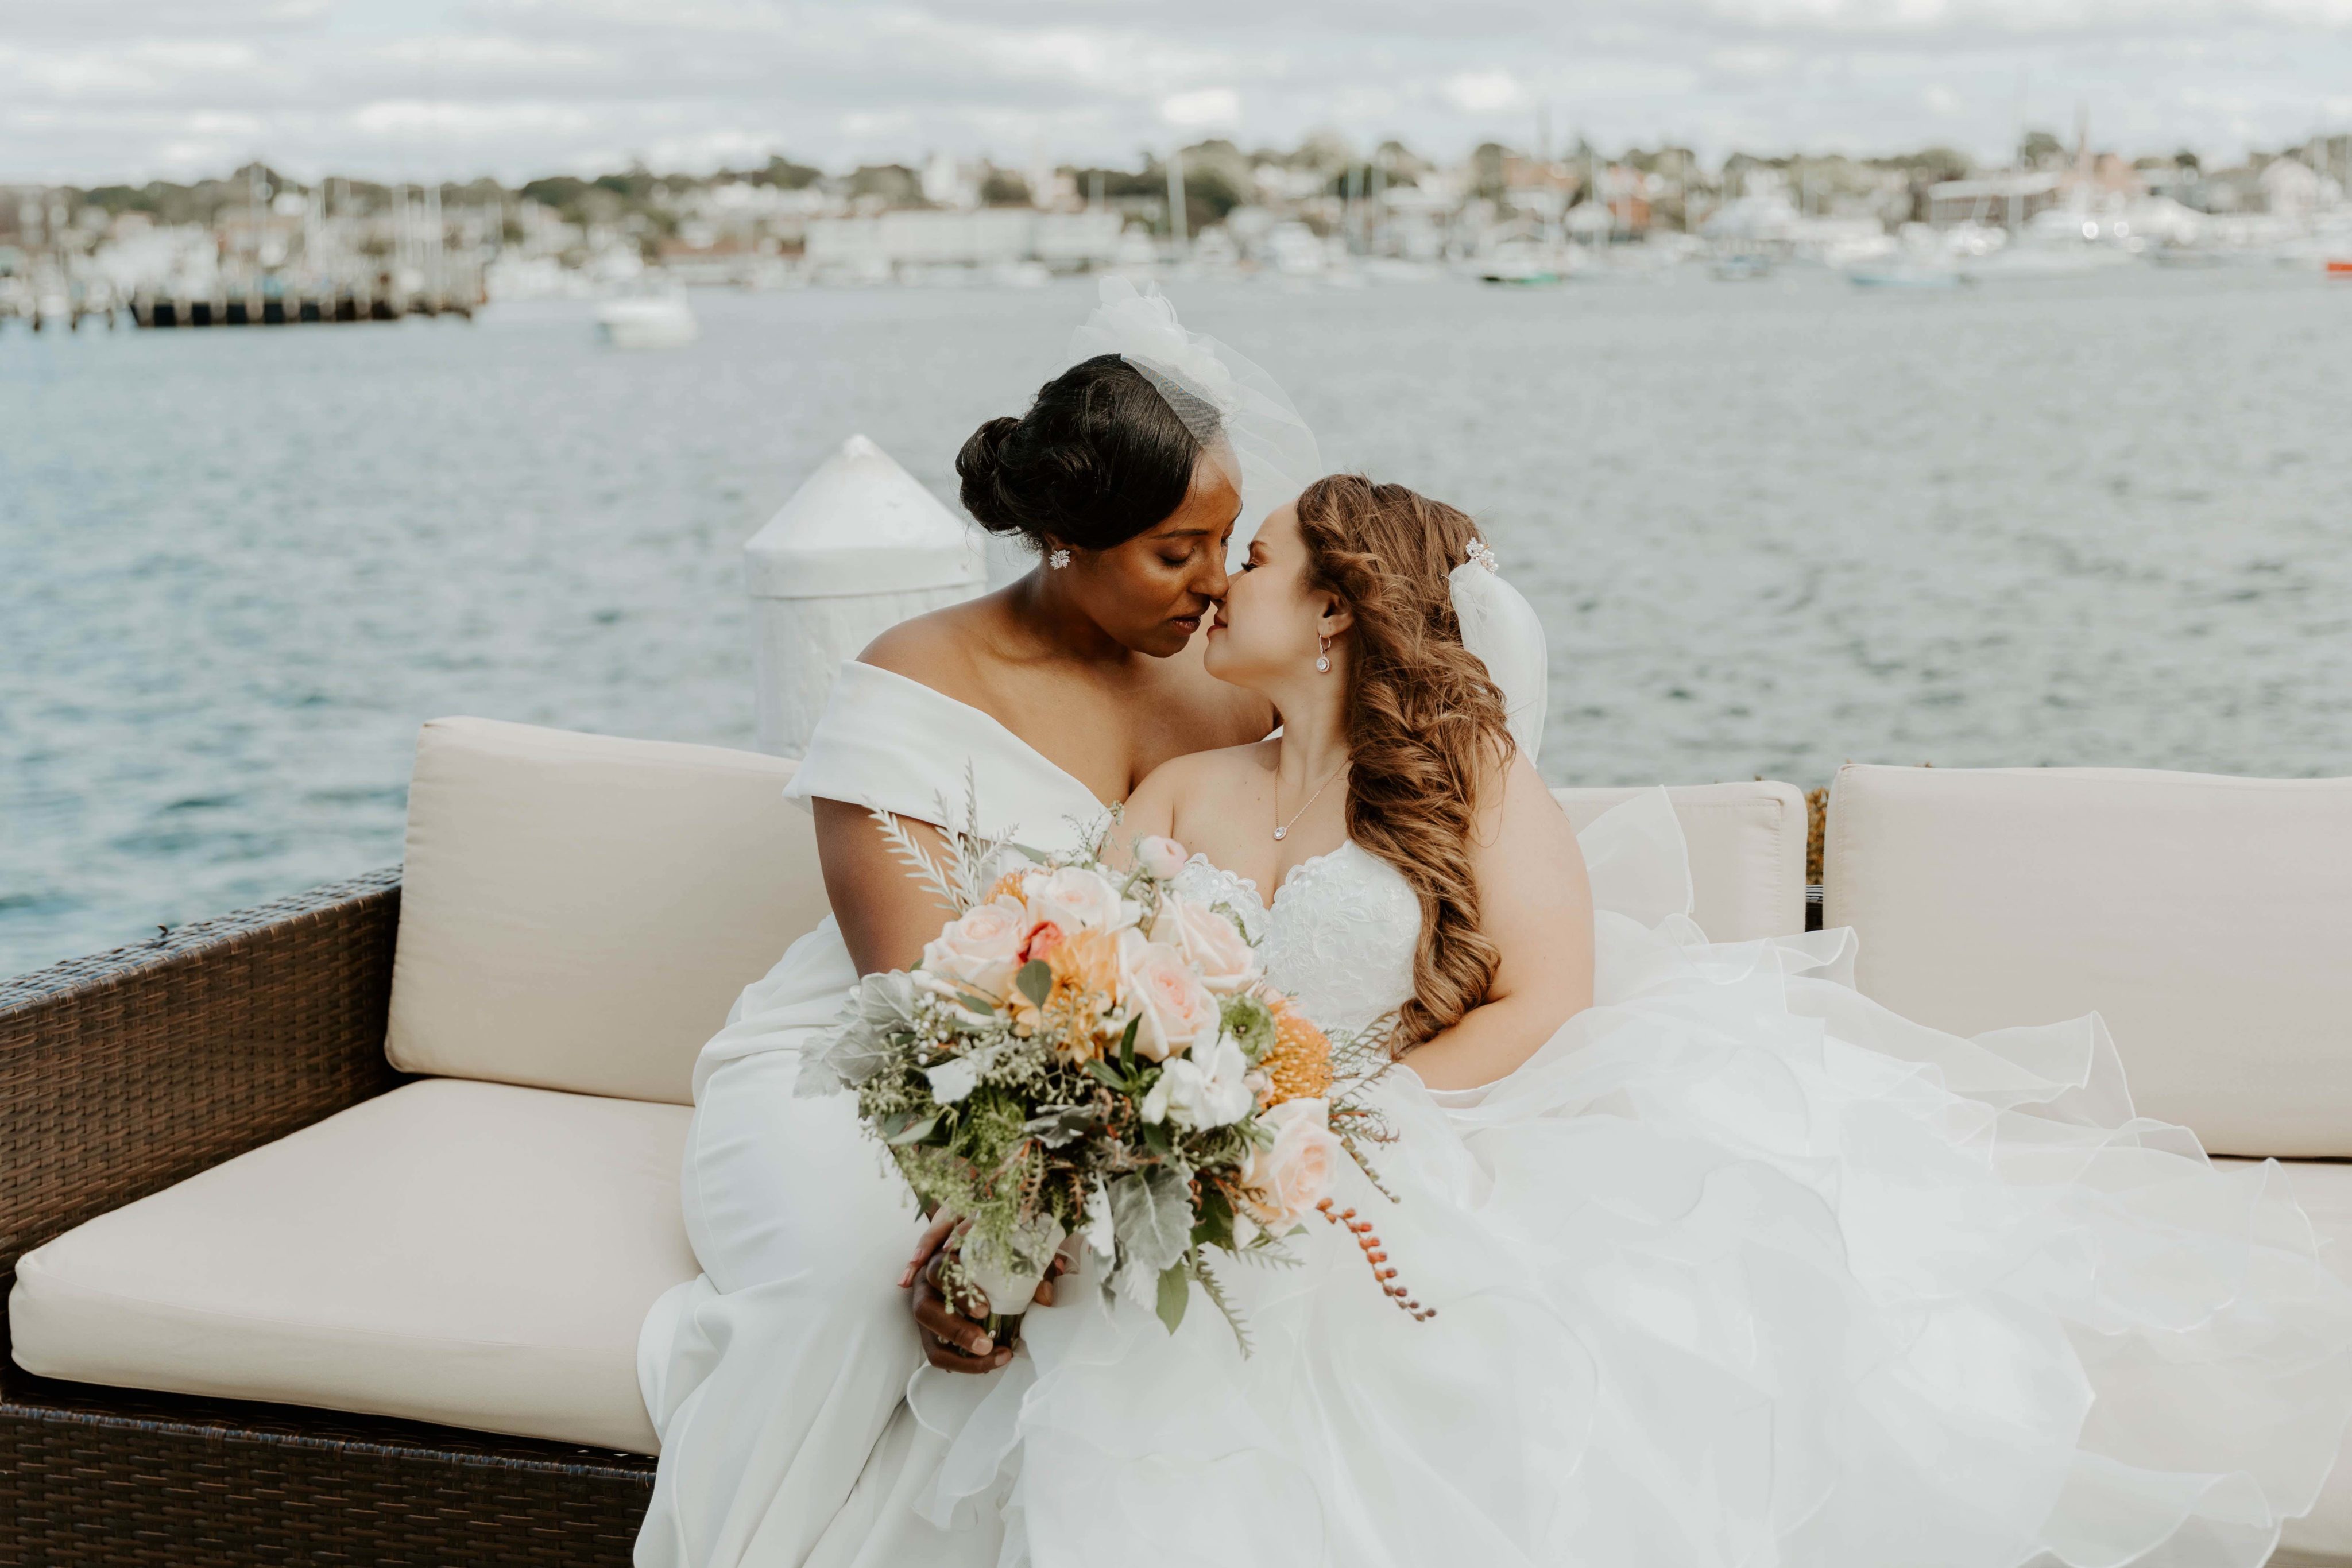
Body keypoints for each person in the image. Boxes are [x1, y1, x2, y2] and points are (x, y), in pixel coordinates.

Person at [894, 474, 2352, 1567]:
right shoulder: (1169, 797)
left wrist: (1332, 1131)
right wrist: (1022, 1187)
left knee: (1450, 1351)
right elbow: (1070, 1011)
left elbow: (1543, 992)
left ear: (1335, 605)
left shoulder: (1468, 781)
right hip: (1198, 1162)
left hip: (1410, 1124)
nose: (1219, 585)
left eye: (1255, 559)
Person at [632, 280, 1313, 1568]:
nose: (1213, 584)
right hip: (866, 1069)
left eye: (1226, 544)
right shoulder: (913, 679)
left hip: (1115, 1090)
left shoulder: (1227, 690)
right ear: (1064, 537)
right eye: (1177, 551)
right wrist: (1001, 1198)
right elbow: (910, 990)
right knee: (852, 1287)